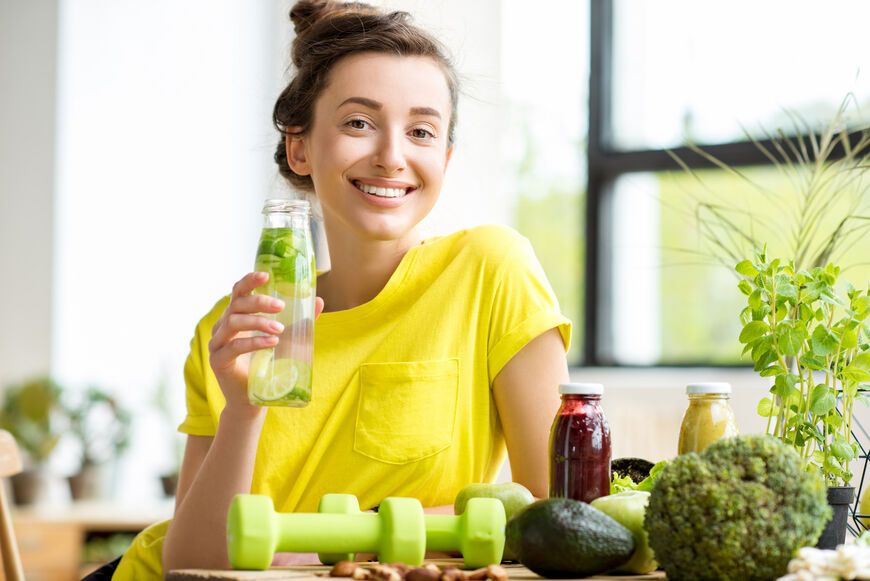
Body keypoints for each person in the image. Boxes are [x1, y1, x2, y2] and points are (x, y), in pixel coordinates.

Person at [113, 1, 571, 578]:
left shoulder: (490, 271)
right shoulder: (233, 329)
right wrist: (244, 410)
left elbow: (558, 519)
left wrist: (334, 544)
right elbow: (192, 565)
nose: (391, 156)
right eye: (359, 122)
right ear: (299, 147)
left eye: (422, 131)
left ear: (446, 159)